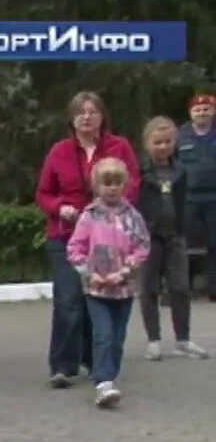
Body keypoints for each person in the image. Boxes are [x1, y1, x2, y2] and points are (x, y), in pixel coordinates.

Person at [36, 90, 140, 390]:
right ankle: (63, 366)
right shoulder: (59, 152)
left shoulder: (119, 147)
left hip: (110, 239)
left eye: (93, 111)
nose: (87, 116)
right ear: (71, 118)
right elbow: (43, 193)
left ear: (102, 116)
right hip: (67, 236)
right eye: (81, 111)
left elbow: (133, 185)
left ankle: (97, 362)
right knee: (69, 301)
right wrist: (60, 208)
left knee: (101, 299)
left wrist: (115, 210)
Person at [66, 158, 150, 409]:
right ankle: (104, 382)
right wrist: (89, 272)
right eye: (106, 183)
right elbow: (75, 248)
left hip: (123, 289)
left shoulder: (133, 216)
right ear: (97, 186)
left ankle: (108, 373)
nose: (111, 188)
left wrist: (125, 271)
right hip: (97, 289)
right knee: (102, 335)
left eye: (116, 183)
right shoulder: (89, 216)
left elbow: (142, 246)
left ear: (124, 185)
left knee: (117, 338)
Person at [137, 116, 208, 361]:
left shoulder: (180, 171)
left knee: (180, 287)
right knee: (148, 288)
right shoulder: (140, 171)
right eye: (157, 142)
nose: (163, 146)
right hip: (148, 236)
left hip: (175, 235)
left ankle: (183, 339)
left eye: (168, 142)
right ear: (148, 144)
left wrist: (183, 228)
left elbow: (182, 202)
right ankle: (153, 340)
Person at [178, 93, 216, 301]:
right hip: (188, 196)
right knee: (181, 243)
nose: (202, 113)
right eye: (197, 110)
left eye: (206, 109)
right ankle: (181, 288)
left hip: (214, 197)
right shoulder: (180, 135)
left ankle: (214, 288)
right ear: (191, 113)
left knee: (215, 243)